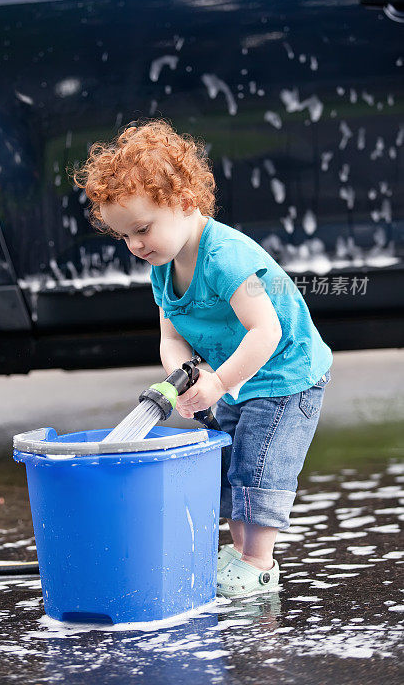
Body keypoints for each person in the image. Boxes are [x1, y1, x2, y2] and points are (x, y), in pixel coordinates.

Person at [72, 118, 332, 598]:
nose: (135, 246)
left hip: (285, 370)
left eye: (143, 229)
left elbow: (266, 330)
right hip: (235, 372)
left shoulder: (227, 258)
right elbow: (172, 338)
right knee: (231, 462)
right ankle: (239, 557)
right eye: (124, 236)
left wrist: (217, 383)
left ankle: (258, 564)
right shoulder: (163, 265)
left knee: (259, 465)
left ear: (185, 201)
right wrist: (183, 377)